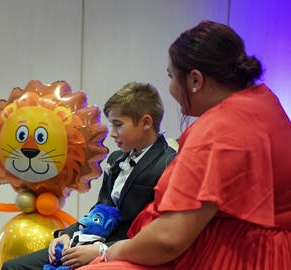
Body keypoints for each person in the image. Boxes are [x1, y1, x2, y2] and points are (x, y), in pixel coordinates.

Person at [78, 20, 291, 270]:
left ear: (195, 80)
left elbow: (169, 239)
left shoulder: (218, 131)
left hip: (231, 254)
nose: (112, 134)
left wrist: (113, 251)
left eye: (170, 76)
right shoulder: (264, 101)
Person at [1, 82, 176, 270]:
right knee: (13, 267)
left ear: (146, 123)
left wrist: (100, 250)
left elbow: (156, 232)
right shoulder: (116, 159)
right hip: (90, 242)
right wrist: (66, 235)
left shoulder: (168, 164)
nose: (113, 134)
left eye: (118, 125)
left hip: (123, 254)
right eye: (111, 125)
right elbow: (100, 211)